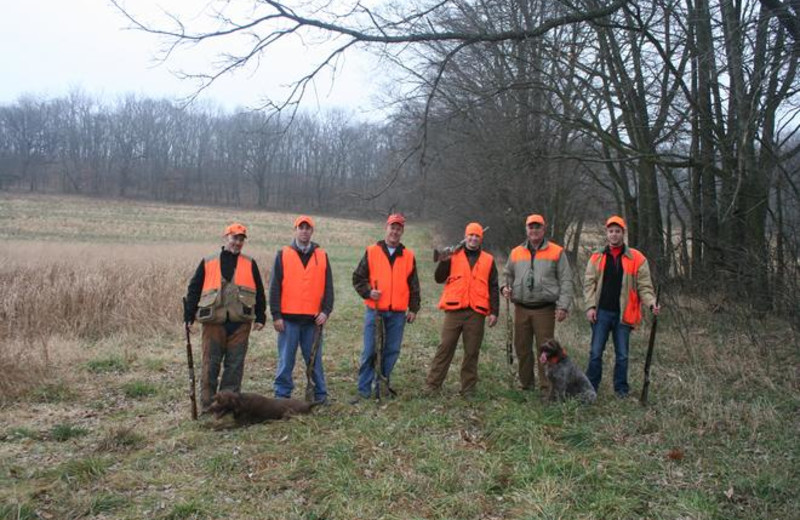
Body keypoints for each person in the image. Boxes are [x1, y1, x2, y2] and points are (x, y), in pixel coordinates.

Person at [184, 222, 266, 412]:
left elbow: (259, 291)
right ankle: (208, 405)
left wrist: (261, 316)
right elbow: (194, 289)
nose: (237, 242)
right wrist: (188, 315)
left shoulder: (249, 262)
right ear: (226, 237)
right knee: (210, 365)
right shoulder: (208, 261)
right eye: (234, 238)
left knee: (235, 367)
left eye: (241, 239)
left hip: (240, 323)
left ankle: (228, 406)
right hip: (214, 323)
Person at [584, 215, 660, 398]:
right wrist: (590, 307)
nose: (614, 234)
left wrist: (652, 303)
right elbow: (589, 284)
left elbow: (644, 287)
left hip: (624, 315)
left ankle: (621, 390)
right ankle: (590, 387)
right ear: (607, 233)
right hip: (601, 313)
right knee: (595, 353)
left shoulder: (637, 258)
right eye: (611, 231)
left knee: (623, 355)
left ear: (623, 233)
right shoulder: (597, 257)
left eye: (617, 231)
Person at [351, 213, 421, 401]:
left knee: (392, 350)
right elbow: (358, 277)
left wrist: (413, 309)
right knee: (370, 351)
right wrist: (367, 292)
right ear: (386, 228)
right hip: (375, 311)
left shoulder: (408, 256)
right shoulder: (372, 251)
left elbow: (414, 285)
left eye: (399, 228)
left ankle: (382, 384)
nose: (395, 231)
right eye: (393, 227)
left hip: (397, 313)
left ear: (402, 231)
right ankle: (364, 390)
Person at [425, 223, 499, 396]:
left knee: (472, 351)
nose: (473, 239)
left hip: (476, 312)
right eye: (471, 235)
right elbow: (438, 278)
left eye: (477, 236)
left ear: (481, 239)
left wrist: (494, 311)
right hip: (454, 309)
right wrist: (443, 262)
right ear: (465, 236)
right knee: (445, 347)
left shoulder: (488, 259)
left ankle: (468, 389)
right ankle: (432, 385)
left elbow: (493, 286)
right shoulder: (453, 255)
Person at [502, 214, 573, 393]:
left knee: (546, 351)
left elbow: (566, 280)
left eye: (537, 227)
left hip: (545, 309)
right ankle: (526, 384)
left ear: (544, 228)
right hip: (521, 308)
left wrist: (563, 306)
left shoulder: (557, 251)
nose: (534, 230)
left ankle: (546, 387)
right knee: (522, 348)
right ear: (526, 229)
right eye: (530, 227)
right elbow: (507, 274)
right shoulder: (516, 252)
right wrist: (504, 288)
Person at [269, 215, 334, 403]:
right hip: (288, 320)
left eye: (308, 228)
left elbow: (328, 287)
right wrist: (276, 315)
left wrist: (326, 311)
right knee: (285, 362)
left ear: (312, 231)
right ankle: (282, 396)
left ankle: (320, 395)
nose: (304, 230)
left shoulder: (322, 255)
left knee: (315, 361)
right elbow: (274, 287)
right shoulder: (283, 254)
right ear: (295, 230)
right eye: (301, 227)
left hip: (313, 321)